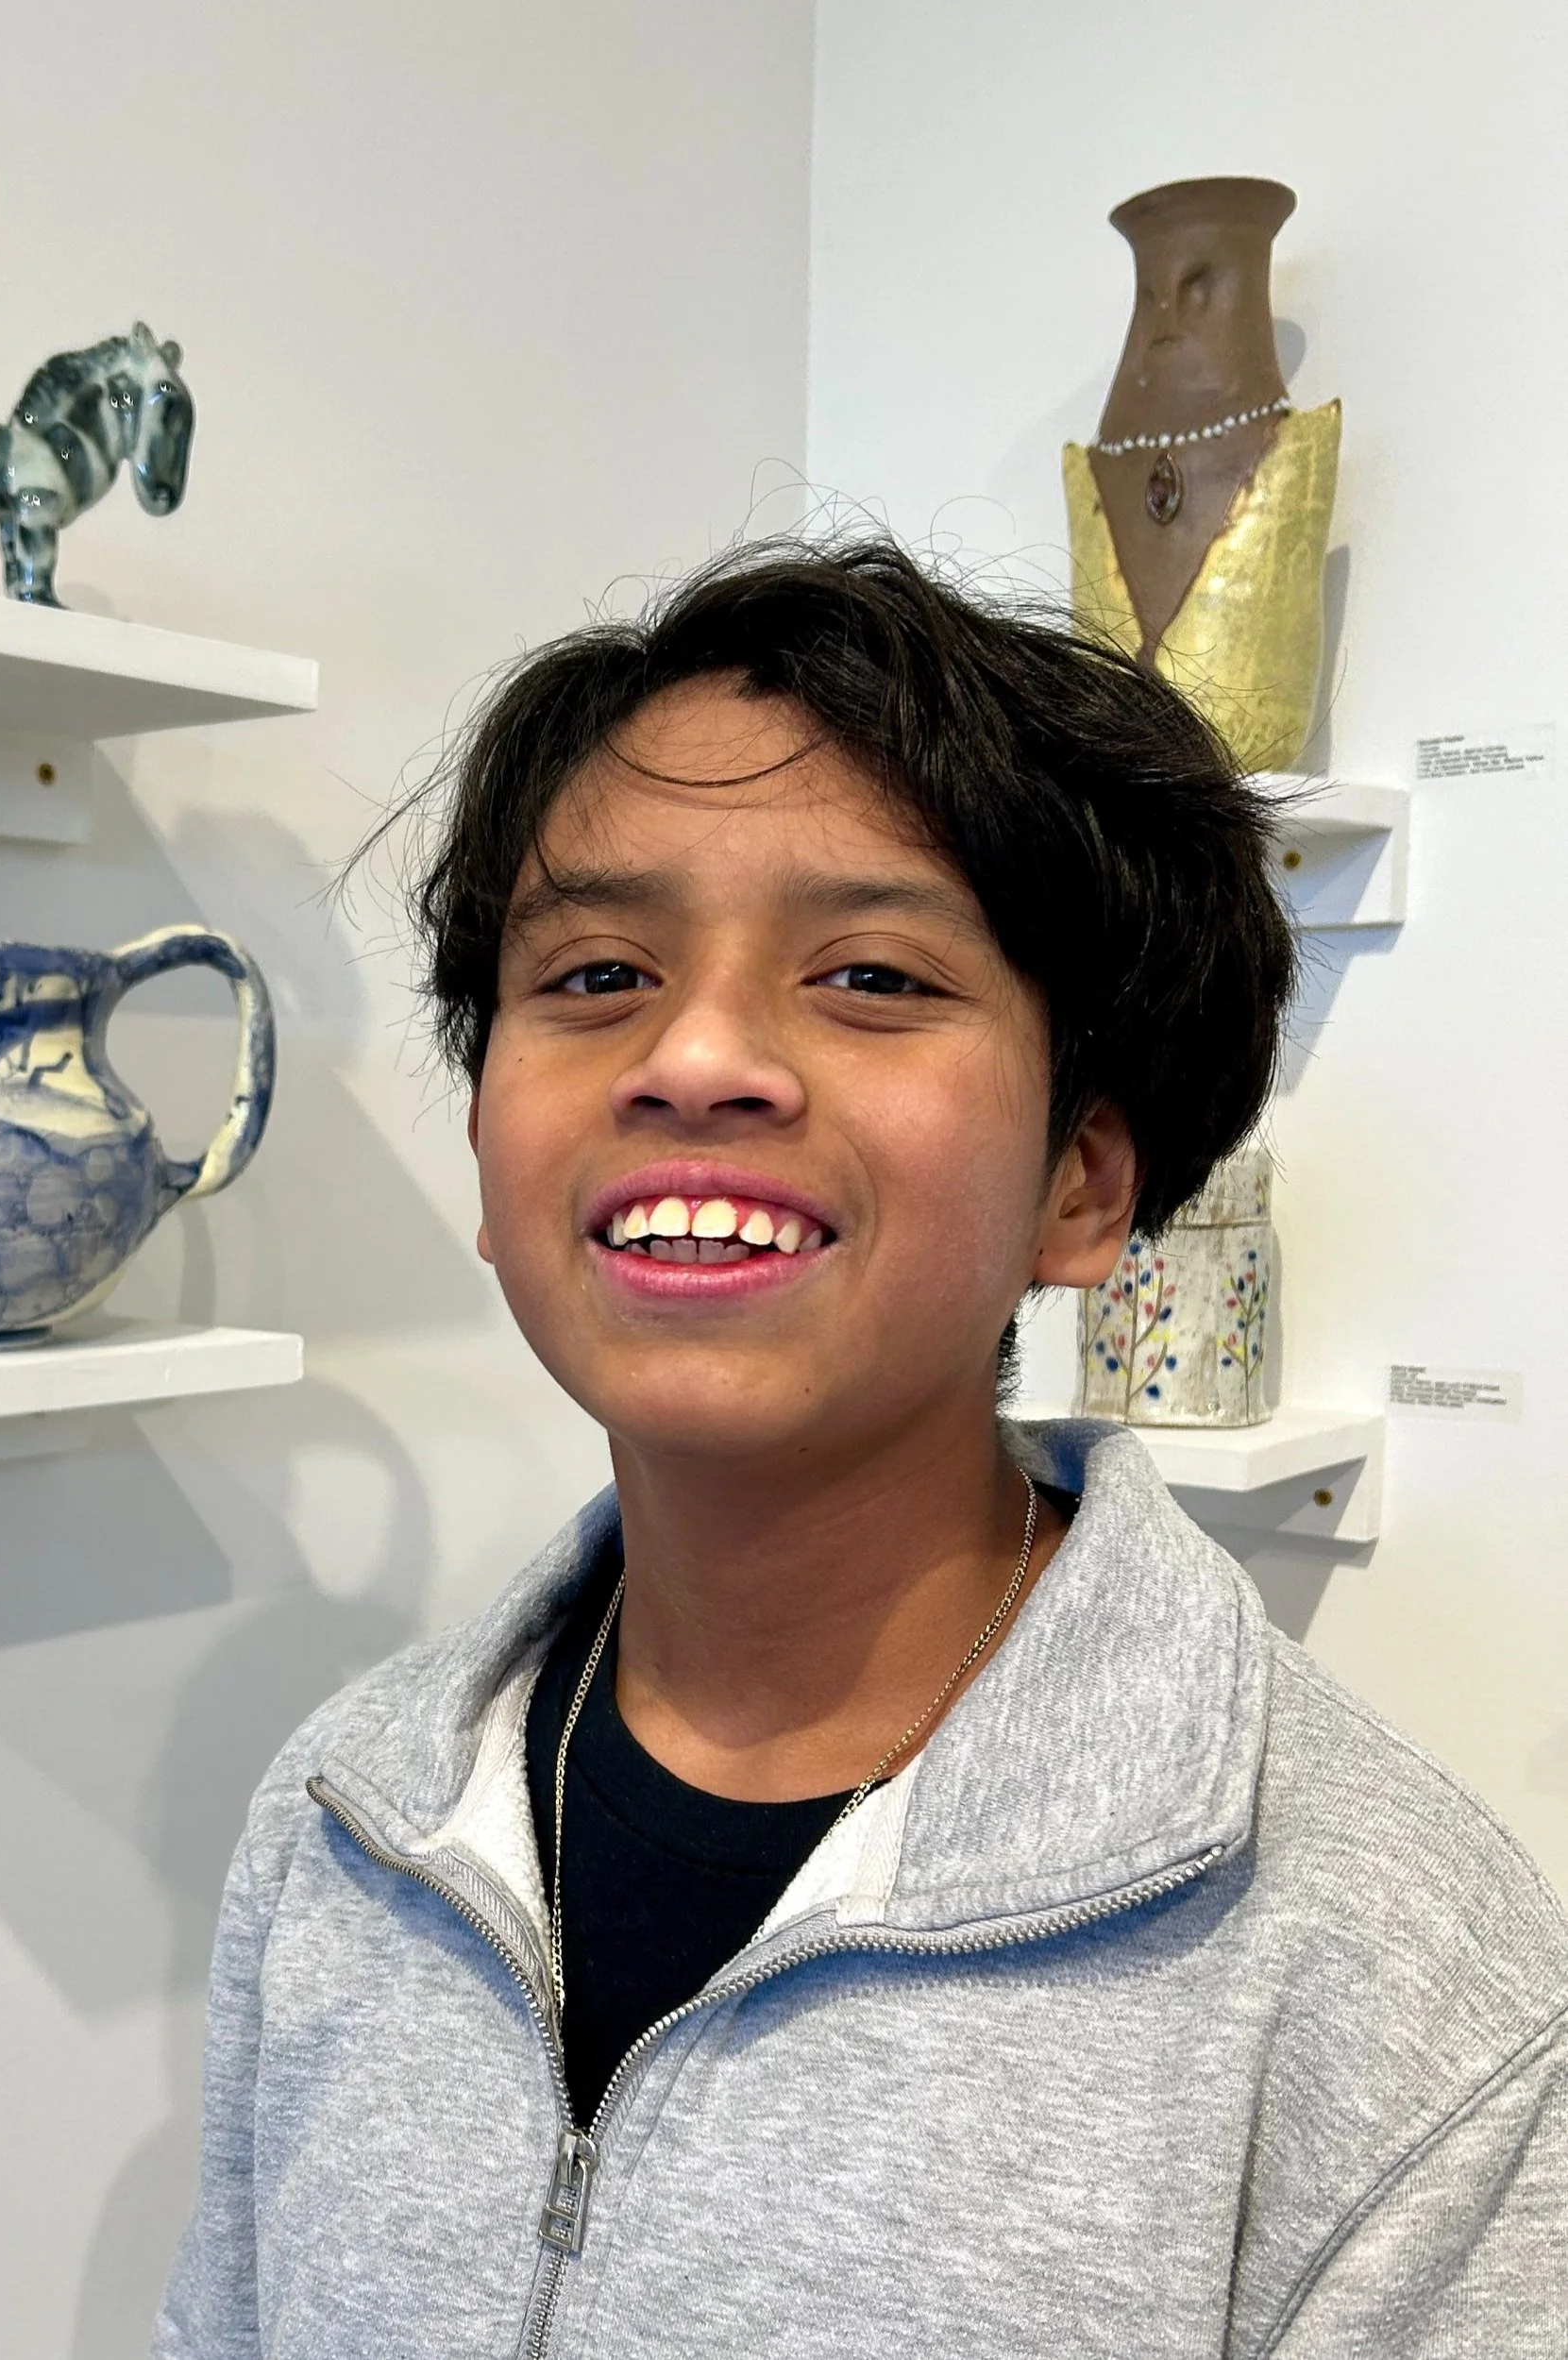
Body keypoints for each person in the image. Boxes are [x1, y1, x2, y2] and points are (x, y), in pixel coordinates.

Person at [152, 540, 1568, 2357]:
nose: (695, 1057)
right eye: (596, 971)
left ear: (1083, 1182)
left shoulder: (1382, 1966)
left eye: (873, 976)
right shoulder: (350, 1818)